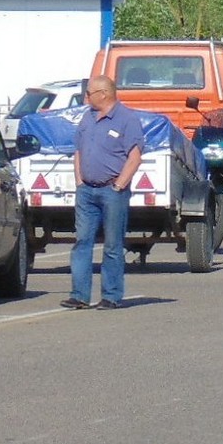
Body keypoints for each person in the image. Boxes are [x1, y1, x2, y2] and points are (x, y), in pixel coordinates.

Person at [61, 76, 144, 310]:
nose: (85, 98)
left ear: (104, 94)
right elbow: (78, 150)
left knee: (112, 245)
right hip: (87, 191)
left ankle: (111, 295)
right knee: (82, 242)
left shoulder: (127, 119)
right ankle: (79, 295)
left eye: (89, 93)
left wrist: (119, 185)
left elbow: (135, 156)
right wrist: (79, 181)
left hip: (112, 191)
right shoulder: (87, 118)